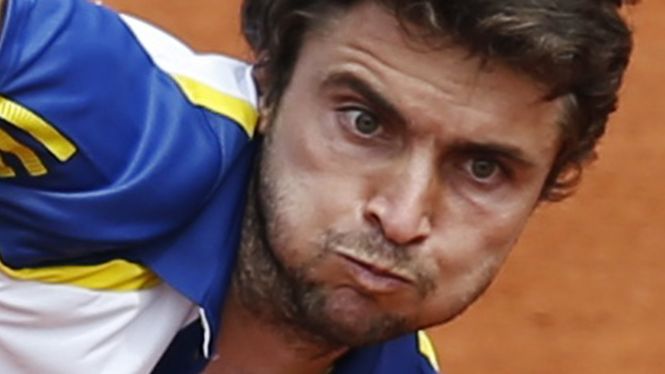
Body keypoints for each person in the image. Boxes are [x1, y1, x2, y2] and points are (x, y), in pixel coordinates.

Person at [0, 0, 634, 373]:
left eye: (483, 169)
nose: (403, 215)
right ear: (270, 80)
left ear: (550, 182)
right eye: (364, 123)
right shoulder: (129, 140)